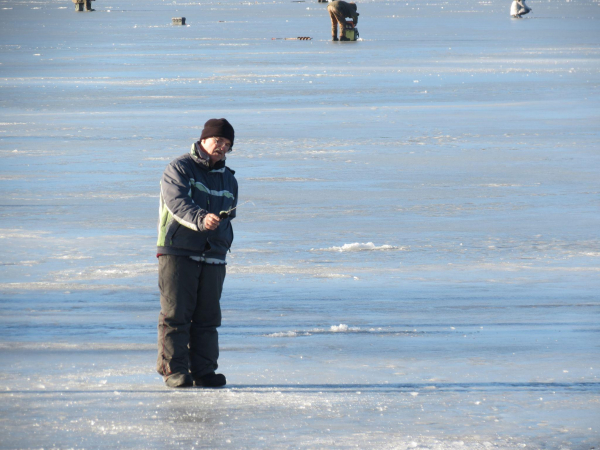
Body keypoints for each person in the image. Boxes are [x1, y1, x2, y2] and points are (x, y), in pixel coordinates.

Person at [156, 118, 238, 388]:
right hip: (179, 250)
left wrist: (223, 239)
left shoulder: (229, 178)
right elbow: (177, 202)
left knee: (208, 318)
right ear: (204, 139)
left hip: (214, 254)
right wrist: (202, 219)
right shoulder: (179, 167)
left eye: (227, 144)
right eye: (218, 141)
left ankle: (203, 371)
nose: (222, 147)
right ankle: (174, 370)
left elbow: (230, 214)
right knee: (176, 313)